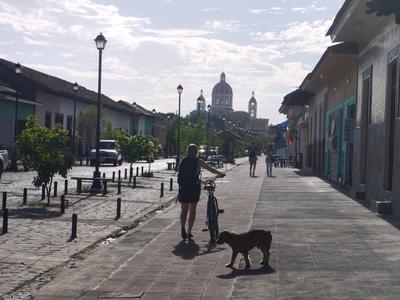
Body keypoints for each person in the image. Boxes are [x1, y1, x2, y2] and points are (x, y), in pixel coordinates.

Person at [177, 144, 225, 240]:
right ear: (197, 152)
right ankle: (189, 231)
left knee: (184, 210)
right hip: (194, 188)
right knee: (192, 210)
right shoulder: (199, 161)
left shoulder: (183, 161)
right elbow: (211, 170)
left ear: (187, 151)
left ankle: (182, 228)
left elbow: (180, 174)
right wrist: (221, 174)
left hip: (184, 188)